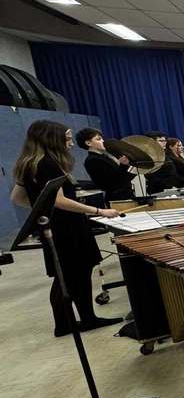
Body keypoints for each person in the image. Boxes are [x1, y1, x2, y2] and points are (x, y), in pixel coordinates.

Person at [14, 120, 122, 336]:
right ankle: (84, 320)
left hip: (56, 226)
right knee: (76, 274)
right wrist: (99, 212)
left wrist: (42, 208)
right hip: (68, 227)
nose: (71, 143)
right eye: (68, 138)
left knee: (65, 276)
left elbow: (17, 197)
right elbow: (60, 201)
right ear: (52, 139)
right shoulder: (48, 164)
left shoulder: (29, 163)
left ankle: (65, 324)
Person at [76, 127, 134, 202]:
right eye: (98, 139)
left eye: (102, 138)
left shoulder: (103, 157)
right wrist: (124, 165)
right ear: (88, 143)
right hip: (117, 199)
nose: (103, 141)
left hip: (124, 195)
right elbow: (115, 182)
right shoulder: (93, 160)